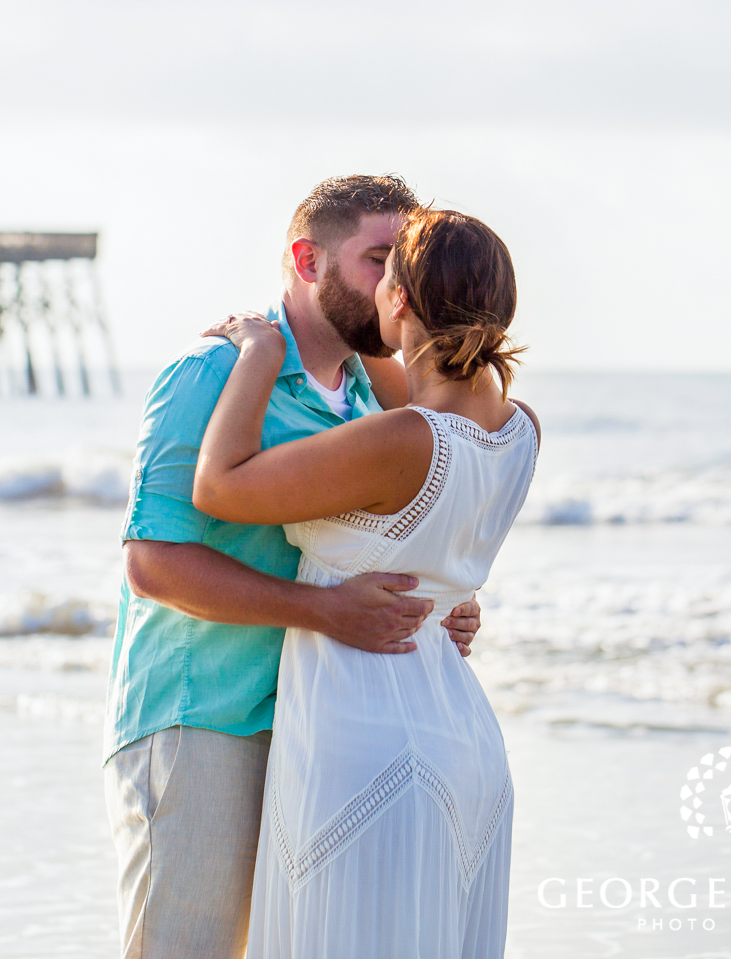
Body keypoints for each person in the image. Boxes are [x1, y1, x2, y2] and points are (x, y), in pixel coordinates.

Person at [104, 176, 484, 959]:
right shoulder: (210, 372)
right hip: (203, 715)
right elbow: (152, 562)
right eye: (378, 259)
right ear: (307, 260)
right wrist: (323, 611)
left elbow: (367, 550)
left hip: (315, 723)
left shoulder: (365, 401)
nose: (396, 286)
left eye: (402, 266)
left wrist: (439, 608)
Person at [193, 209, 538, 958]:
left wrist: (259, 351)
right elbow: (434, 524)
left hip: (365, 737)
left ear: (402, 301)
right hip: (464, 737)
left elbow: (219, 487)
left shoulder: (400, 440)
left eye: (386, 273)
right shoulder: (520, 429)